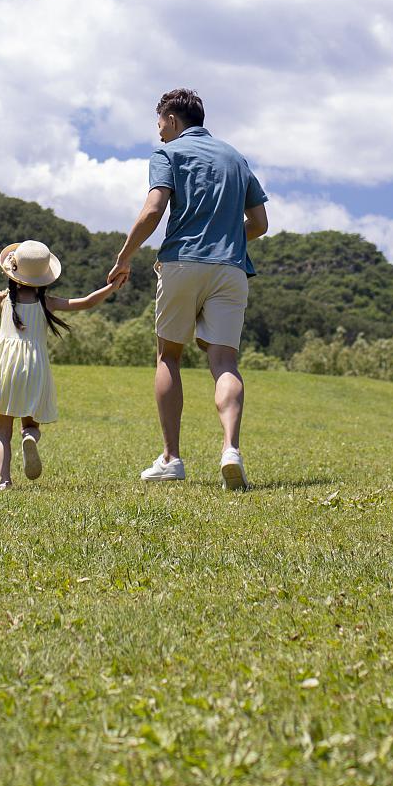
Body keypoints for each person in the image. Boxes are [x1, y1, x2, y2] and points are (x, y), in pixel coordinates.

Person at [106, 89, 268, 489]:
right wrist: (229, 238)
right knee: (225, 363)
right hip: (231, 268)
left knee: (169, 356)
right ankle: (231, 448)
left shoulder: (169, 154)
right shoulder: (235, 157)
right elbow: (260, 223)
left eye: (159, 124)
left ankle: (171, 458)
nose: (159, 133)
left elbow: (153, 209)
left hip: (182, 262)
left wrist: (124, 256)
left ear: (173, 120)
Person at [0, 241, 122, 490]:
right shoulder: (48, 303)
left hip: (6, 366)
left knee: (2, 431)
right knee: (30, 424)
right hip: (35, 366)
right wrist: (112, 286)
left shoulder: (3, 298)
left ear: (11, 272)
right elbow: (85, 302)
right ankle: (30, 436)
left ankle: (4, 481)